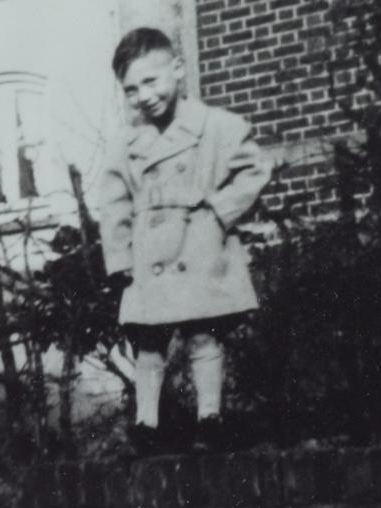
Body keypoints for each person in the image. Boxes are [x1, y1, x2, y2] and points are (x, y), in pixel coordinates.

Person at [97, 27, 273, 454]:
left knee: (203, 333)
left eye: (151, 81)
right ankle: (147, 425)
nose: (144, 96)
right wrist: (120, 258)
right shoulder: (126, 146)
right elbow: (114, 204)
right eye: (131, 89)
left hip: (197, 243)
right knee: (149, 339)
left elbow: (256, 169)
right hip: (149, 252)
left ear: (177, 69)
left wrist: (218, 211)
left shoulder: (217, 126)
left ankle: (209, 418)